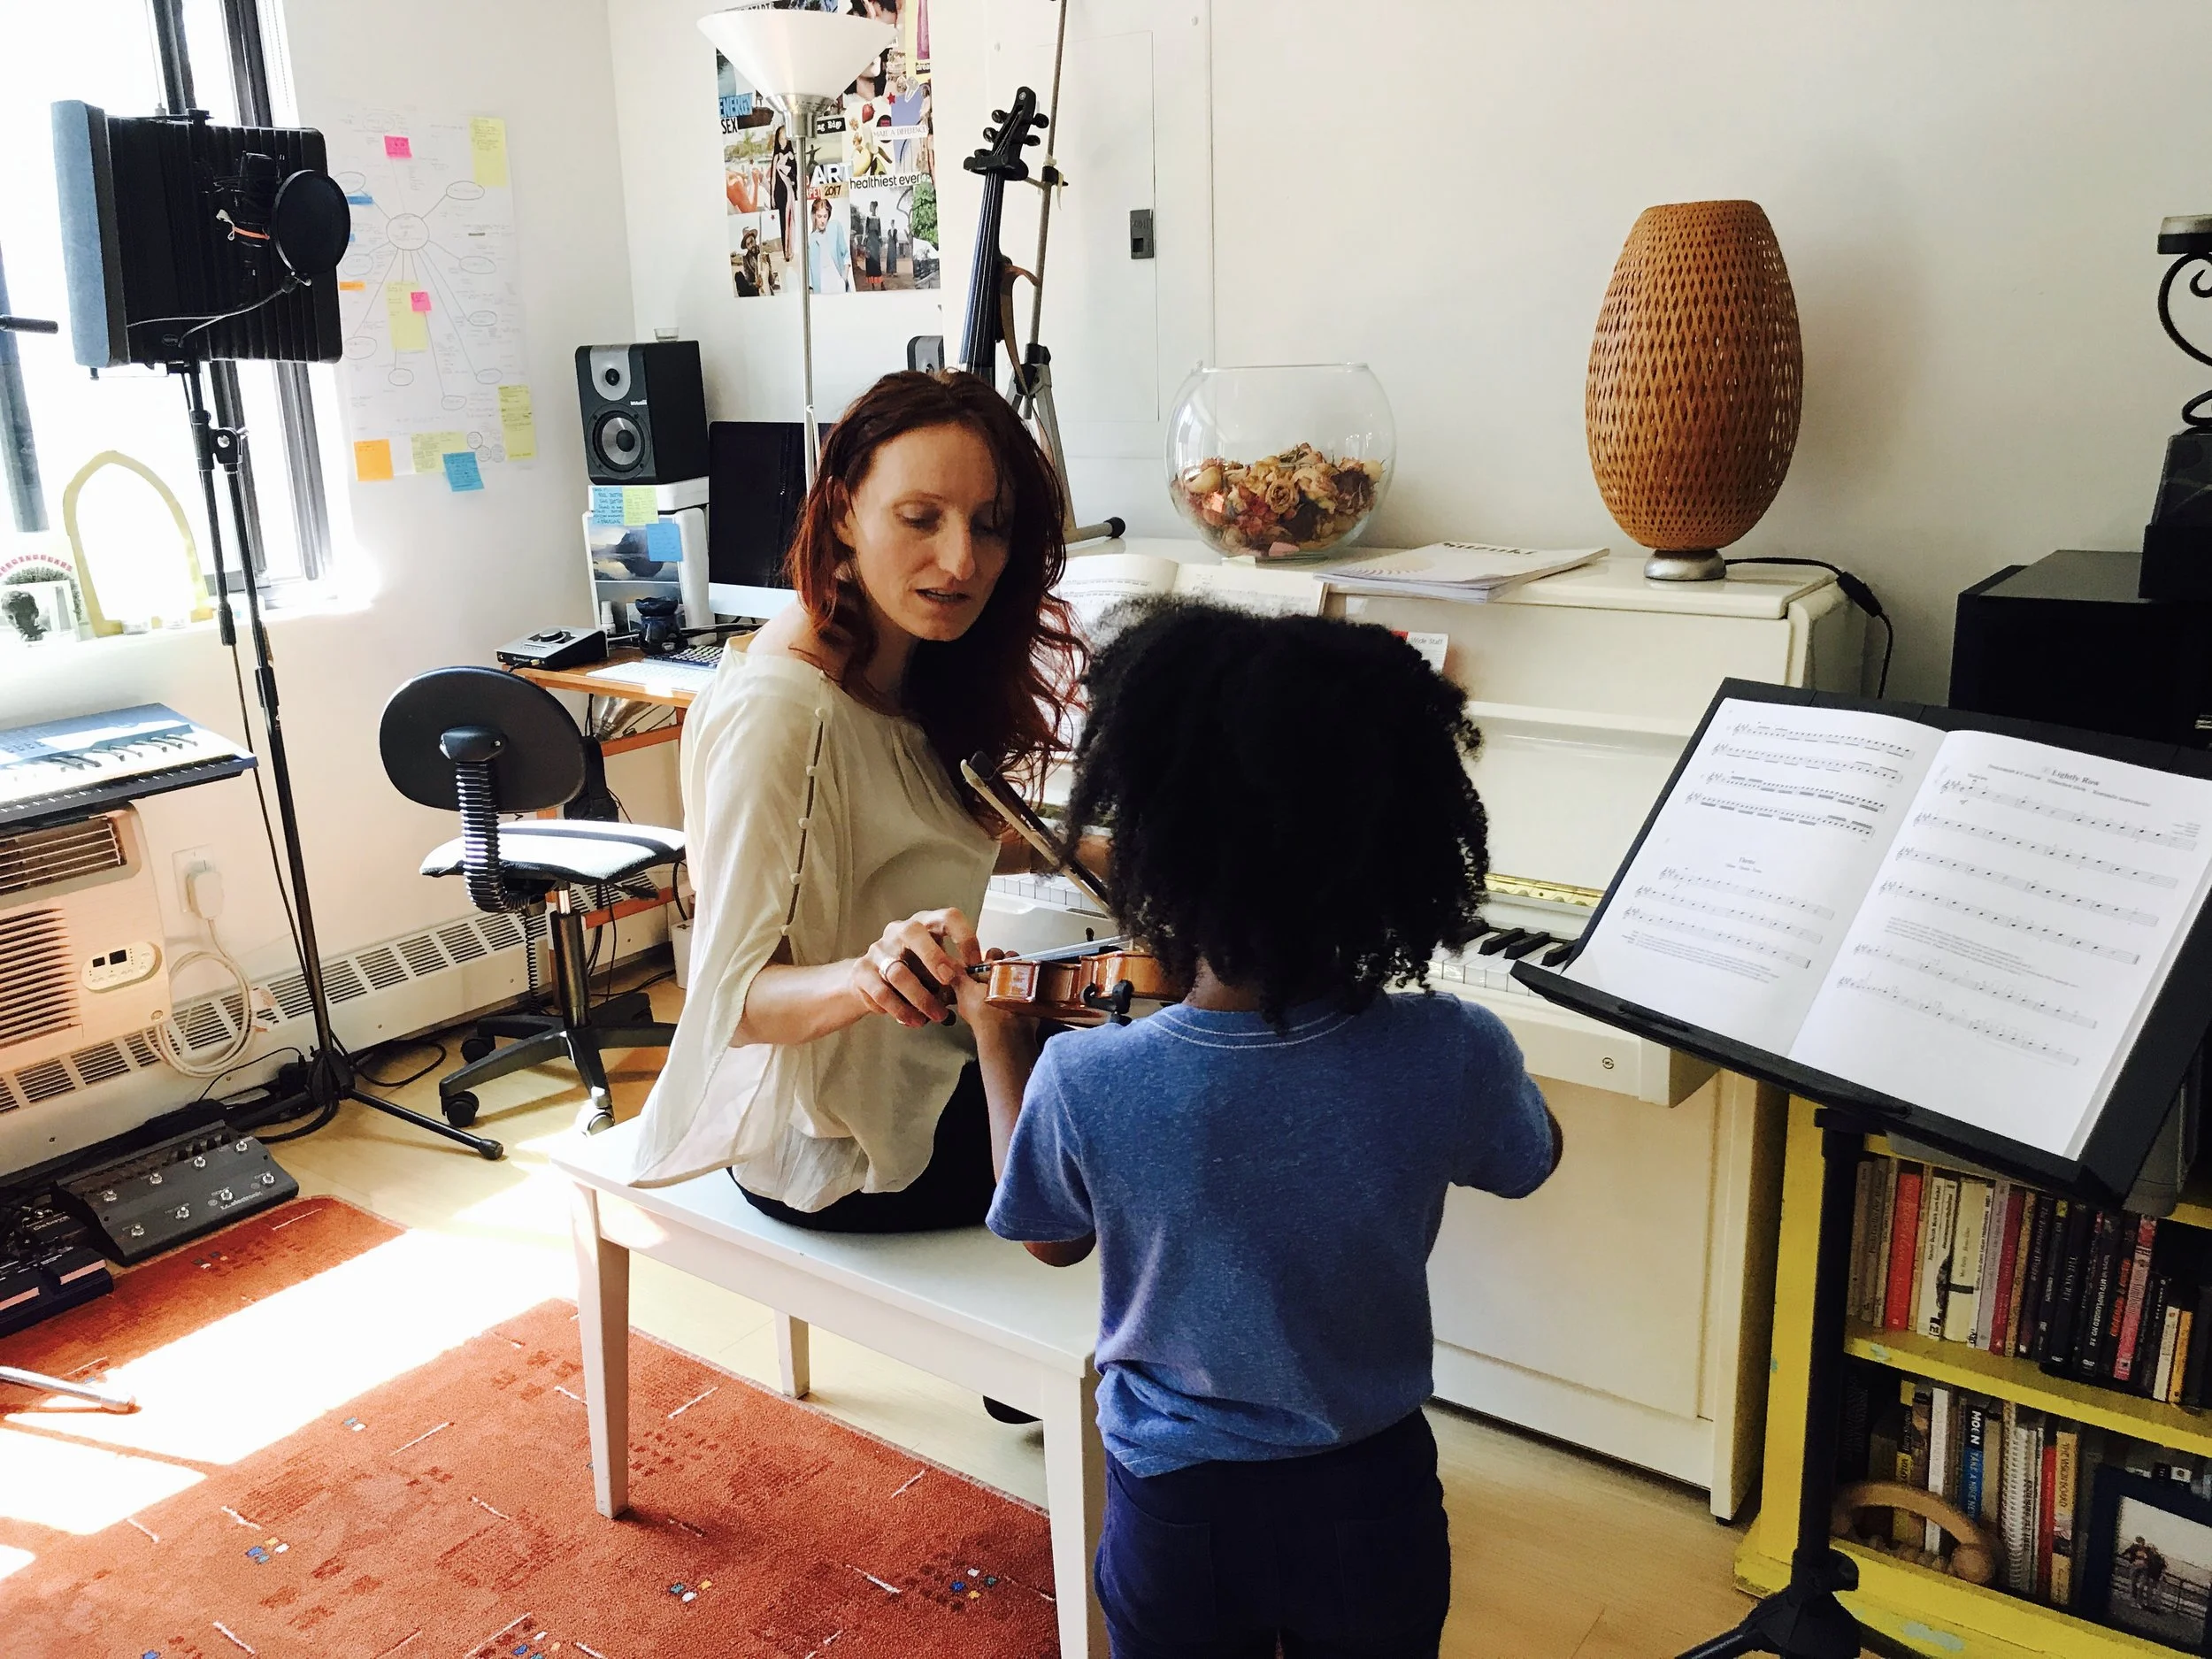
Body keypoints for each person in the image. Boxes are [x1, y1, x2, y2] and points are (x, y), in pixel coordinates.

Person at [982, 600, 1564, 1659]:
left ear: (1149, 850)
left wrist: (997, 1042)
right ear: (1402, 846)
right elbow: (1528, 1162)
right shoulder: (1458, 1048)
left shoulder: (1085, 1074)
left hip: (1177, 1505)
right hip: (1373, 1497)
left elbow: (1048, 1236)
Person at [619, 372, 1082, 1241]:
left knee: (1148, 1052)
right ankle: (1057, 1367)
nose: (961, 561)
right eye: (920, 518)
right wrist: (869, 978)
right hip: (844, 1151)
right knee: (1151, 1108)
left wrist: (1081, 853)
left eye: (989, 526)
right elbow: (736, 1004)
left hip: (919, 1069)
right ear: (840, 513)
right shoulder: (785, 712)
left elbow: (903, 835)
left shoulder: (894, 658)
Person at [810, 194, 853, 293]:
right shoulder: (811, 239)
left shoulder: (835, 227)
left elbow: (846, 254)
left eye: (825, 216)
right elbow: (809, 270)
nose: (822, 221)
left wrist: (844, 279)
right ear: (814, 216)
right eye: (819, 216)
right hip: (821, 285)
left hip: (837, 281)